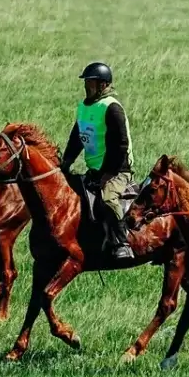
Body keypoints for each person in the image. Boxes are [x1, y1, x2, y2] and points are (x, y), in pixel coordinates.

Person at [62, 61, 134, 260]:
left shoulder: (112, 108)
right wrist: (66, 162)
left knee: (108, 199)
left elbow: (121, 145)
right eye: (86, 82)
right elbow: (77, 137)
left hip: (117, 170)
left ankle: (122, 242)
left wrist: (108, 173)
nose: (86, 86)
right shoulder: (84, 107)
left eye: (91, 82)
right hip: (95, 170)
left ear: (103, 85)